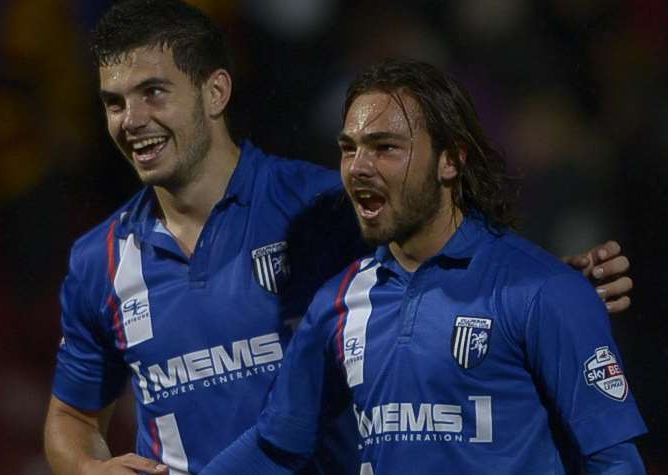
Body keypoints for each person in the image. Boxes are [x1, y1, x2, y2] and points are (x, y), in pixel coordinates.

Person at [43, 1, 634, 474]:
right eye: (114, 103)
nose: (131, 119)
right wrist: (88, 469)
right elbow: (72, 417)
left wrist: (548, 288)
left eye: (153, 92)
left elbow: (447, 256)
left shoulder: (325, 207)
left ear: (215, 92)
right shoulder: (100, 258)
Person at [199, 60, 646, 475]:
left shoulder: (542, 290)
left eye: (385, 148)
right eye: (349, 148)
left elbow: (614, 460)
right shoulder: (338, 302)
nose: (358, 168)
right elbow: (277, 444)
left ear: (451, 159)